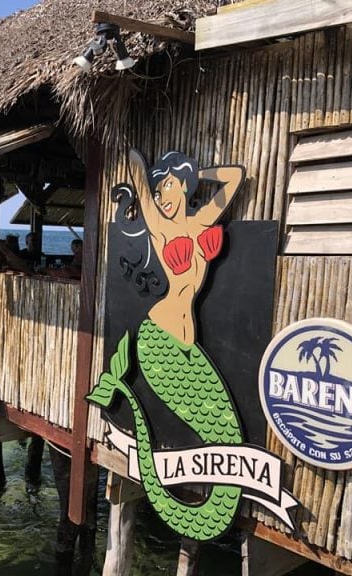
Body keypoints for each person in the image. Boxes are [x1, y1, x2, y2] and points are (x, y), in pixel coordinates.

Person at [87, 149, 248, 541]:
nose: (162, 195)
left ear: (184, 186)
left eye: (170, 186)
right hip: (160, 342)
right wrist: (144, 172)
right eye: (159, 190)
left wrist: (193, 171)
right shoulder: (161, 226)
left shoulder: (200, 221)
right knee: (218, 424)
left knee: (223, 424)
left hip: (185, 345)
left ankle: (204, 491)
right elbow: (141, 185)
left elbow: (236, 177)